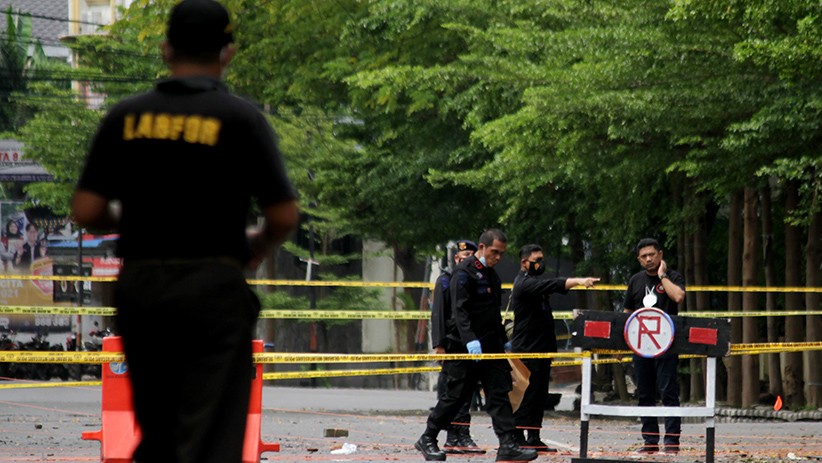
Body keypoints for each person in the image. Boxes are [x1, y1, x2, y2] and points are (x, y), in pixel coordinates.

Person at [70, 2, 299, 462]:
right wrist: (256, 245)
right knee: (212, 433)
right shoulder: (242, 119)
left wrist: (137, 218)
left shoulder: (126, 117)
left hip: (144, 289)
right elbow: (283, 216)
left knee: (158, 426)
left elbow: (86, 209)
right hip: (214, 288)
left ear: (165, 49)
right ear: (227, 52)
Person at [416, 228, 536, 462]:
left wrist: (504, 343)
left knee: (499, 395)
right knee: (456, 397)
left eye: (501, 253)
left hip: (490, 346)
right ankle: (428, 437)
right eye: (494, 252)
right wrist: (470, 340)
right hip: (464, 346)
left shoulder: (492, 275)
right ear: (482, 247)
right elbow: (459, 311)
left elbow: (492, 314)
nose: (498, 257)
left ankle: (508, 445)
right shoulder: (463, 272)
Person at [510, 244, 599, 453]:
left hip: (542, 349)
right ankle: (517, 438)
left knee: (539, 395)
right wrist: (578, 281)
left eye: (542, 259)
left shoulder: (534, 283)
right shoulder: (524, 283)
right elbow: (553, 284)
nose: (541, 263)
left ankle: (534, 437)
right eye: (537, 260)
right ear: (524, 262)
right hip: (527, 350)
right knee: (526, 395)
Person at [623, 238, 686, 455]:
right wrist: (621, 346)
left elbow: (678, 296)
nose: (649, 259)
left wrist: (662, 276)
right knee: (645, 394)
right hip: (641, 346)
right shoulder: (635, 281)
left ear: (660, 255)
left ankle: (672, 442)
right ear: (639, 260)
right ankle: (650, 441)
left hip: (666, 346)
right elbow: (627, 314)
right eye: (644, 256)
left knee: (669, 392)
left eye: (652, 254)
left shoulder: (673, 277)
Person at [430, 239, 484, 455]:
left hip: (469, 343)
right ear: (456, 258)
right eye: (463, 256)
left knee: (467, 392)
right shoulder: (446, 279)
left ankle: (462, 434)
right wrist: (439, 345)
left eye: (470, 256)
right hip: (452, 343)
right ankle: (453, 436)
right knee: (453, 391)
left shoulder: (474, 279)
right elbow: (439, 314)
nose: (466, 260)